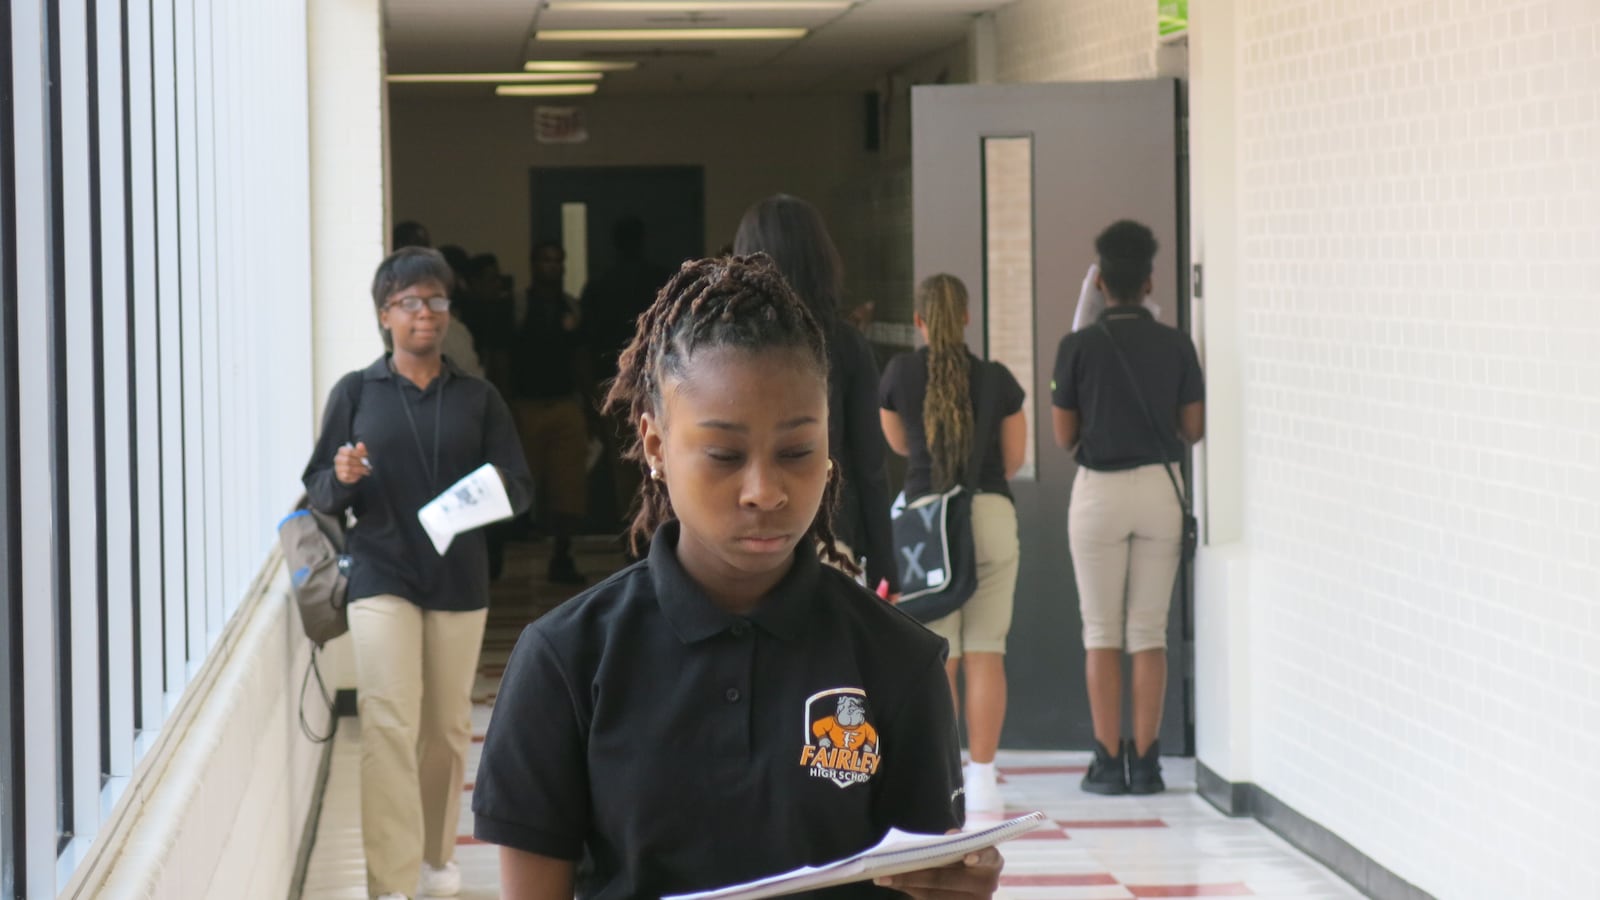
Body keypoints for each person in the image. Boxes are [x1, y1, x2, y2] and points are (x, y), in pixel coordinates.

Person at [471, 255, 1004, 900]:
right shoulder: (564, 661)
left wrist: (954, 889)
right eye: (724, 455)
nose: (764, 491)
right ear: (658, 445)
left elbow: (920, 873)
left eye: (796, 451)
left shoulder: (898, 661)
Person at [302, 247, 534, 900]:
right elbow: (319, 489)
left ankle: (436, 859)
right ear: (385, 315)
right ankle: (392, 884)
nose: (425, 314)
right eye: (410, 303)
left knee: (445, 731)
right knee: (386, 723)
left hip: (459, 581)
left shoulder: (479, 397)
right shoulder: (355, 392)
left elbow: (520, 487)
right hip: (380, 574)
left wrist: (476, 499)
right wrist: (342, 476)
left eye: (436, 302)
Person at [1049, 220, 1204, 796]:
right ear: (1149, 280)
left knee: (1101, 633)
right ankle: (1149, 764)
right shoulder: (1177, 343)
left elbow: (1064, 435)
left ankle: (1107, 764)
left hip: (1098, 493)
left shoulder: (1077, 347)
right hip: (1161, 492)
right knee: (1149, 633)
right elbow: (1194, 428)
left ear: (1100, 282)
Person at [878, 274, 1027, 815]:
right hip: (988, 514)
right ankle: (983, 779)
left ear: (919, 321)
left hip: (925, 526)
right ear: (966, 317)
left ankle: (939, 776)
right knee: (987, 649)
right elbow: (1012, 460)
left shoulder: (898, 373)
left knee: (939, 653)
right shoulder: (997, 379)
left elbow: (897, 443)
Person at [732, 194, 899, 599]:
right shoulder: (844, 343)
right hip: (829, 538)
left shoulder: (725, 343)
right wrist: (885, 563)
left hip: (738, 541)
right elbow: (869, 464)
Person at [578, 216, 673, 525]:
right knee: (664, 461)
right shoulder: (661, 280)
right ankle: (661, 534)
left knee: (625, 468)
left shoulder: (599, 286)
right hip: (660, 382)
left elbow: (587, 343)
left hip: (616, 384)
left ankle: (635, 543)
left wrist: (591, 392)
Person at [510, 239, 589, 584]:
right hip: (525, 403)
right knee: (523, 482)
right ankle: (507, 552)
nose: (552, 267)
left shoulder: (570, 306)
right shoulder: (517, 305)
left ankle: (562, 552)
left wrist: (590, 405)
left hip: (563, 402)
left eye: (558, 261)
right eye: (545, 260)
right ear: (532, 263)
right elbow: (501, 356)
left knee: (567, 484)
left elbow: (581, 358)